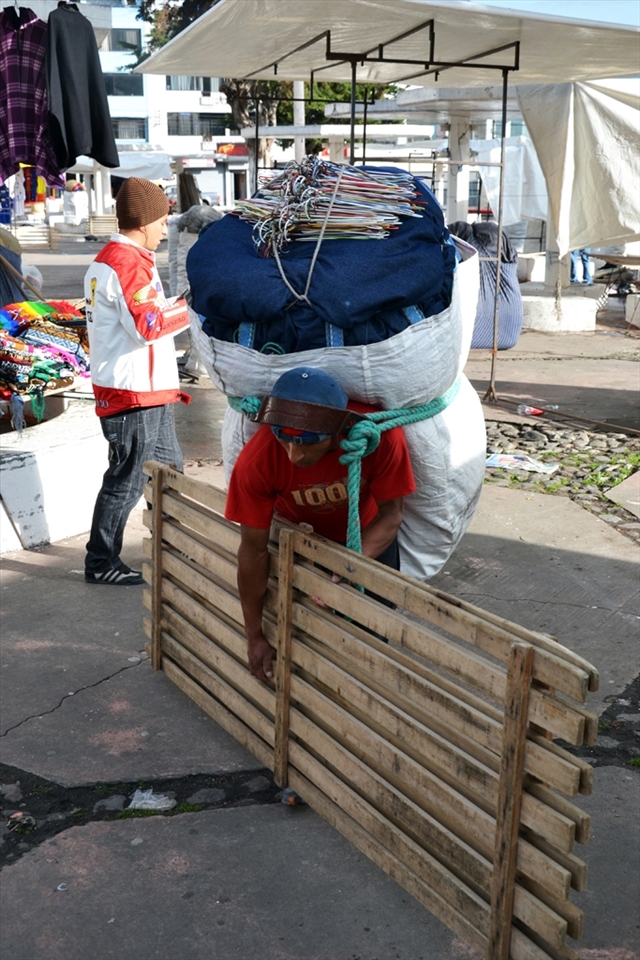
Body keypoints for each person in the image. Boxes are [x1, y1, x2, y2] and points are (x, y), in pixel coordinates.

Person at [225, 367, 416, 681]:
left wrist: (348, 567)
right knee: (311, 641)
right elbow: (253, 551)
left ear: (338, 430)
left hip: (370, 541)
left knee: (371, 641)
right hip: (305, 546)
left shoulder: (377, 437)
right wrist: (254, 635)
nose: (294, 456)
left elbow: (391, 515)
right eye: (284, 440)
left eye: (307, 442)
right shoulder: (257, 460)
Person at [84, 177, 190, 585]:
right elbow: (149, 326)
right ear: (143, 222)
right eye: (162, 221)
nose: (165, 229)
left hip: (149, 392)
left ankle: (172, 549)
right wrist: (192, 306)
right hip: (133, 395)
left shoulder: (119, 259)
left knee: (169, 473)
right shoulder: (126, 263)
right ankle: (101, 561)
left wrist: (178, 305)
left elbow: (147, 316)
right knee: (128, 479)